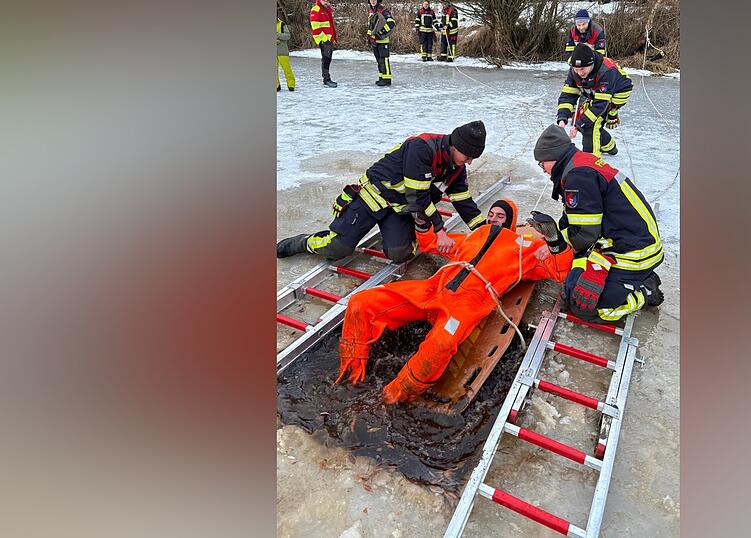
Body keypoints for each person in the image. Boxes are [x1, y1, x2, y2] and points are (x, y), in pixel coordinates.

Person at [336, 199, 574, 404]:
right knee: (362, 301)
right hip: (433, 288)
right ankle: (351, 369)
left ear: (510, 221)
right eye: (490, 214)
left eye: (500, 216)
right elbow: (432, 243)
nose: (493, 219)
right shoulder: (474, 236)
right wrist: (421, 221)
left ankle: (395, 395)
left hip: (467, 303)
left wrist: (554, 241)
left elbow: (559, 271)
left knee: (440, 344)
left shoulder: (527, 249)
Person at [276, 121, 489, 263]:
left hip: (399, 209)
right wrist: (439, 230)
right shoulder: (422, 147)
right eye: (467, 156)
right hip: (372, 197)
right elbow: (418, 196)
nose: (469, 162)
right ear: (455, 145)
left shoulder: (456, 168)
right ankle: (302, 242)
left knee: (400, 254)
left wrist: (488, 232)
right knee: (338, 248)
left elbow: (464, 203)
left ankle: (404, 235)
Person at [532, 124, 664, 323]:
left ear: (554, 156)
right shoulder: (578, 165)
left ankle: (644, 291)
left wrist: (555, 242)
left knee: (583, 304)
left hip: (633, 252)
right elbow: (577, 219)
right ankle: (632, 280)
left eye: (542, 164)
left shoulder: (578, 176)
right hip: (619, 242)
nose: (542, 170)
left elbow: (585, 234)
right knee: (571, 284)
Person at [556, 43, 633, 156]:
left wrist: (578, 125)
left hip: (617, 93)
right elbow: (568, 95)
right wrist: (562, 119)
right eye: (576, 69)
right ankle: (609, 146)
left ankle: (591, 163)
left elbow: (599, 105)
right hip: (594, 93)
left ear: (591, 64)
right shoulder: (575, 71)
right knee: (584, 119)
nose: (579, 73)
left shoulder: (606, 71)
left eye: (582, 69)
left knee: (590, 126)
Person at [367, 0, 396, 86]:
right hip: (374, 40)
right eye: (371, 0)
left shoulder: (383, 10)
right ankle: (381, 77)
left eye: (374, 0)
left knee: (384, 60)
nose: (372, 1)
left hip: (383, 40)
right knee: (379, 60)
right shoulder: (371, 11)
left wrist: (381, 32)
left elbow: (391, 23)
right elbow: (370, 26)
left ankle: (387, 79)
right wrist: (369, 37)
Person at [310, 0, 338, 87]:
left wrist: (332, 38)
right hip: (323, 39)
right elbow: (316, 27)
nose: (326, 1)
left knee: (328, 59)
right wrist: (325, 39)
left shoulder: (327, 9)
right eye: (323, 0)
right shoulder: (315, 9)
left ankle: (326, 78)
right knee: (326, 59)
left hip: (329, 39)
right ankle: (326, 79)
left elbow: (330, 25)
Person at [276, 17, 296, 92]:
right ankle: (276, 86)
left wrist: (277, 35)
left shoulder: (282, 24)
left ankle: (291, 85)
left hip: (282, 51)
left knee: (287, 69)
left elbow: (287, 36)